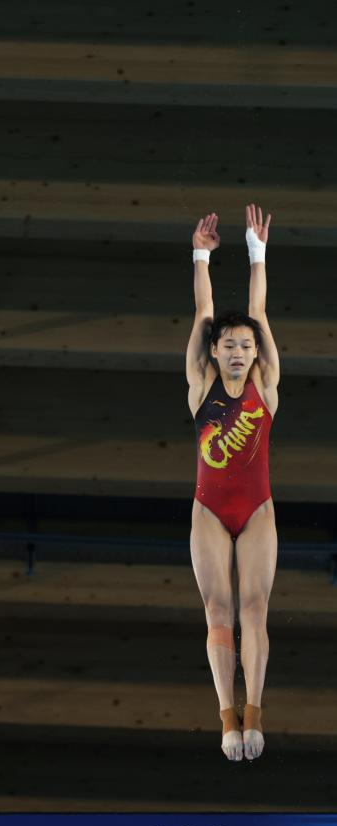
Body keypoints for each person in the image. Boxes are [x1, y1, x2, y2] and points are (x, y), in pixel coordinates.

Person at [186, 205, 279, 762]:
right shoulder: (200, 386)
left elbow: (260, 312)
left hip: (258, 508)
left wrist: (257, 253)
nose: (240, 352)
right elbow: (203, 311)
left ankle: (255, 713)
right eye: (230, 345)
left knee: (254, 611)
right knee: (218, 613)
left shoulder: (266, 385)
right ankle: (226, 718)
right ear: (215, 352)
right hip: (209, 510)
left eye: (246, 345)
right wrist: (201, 254)